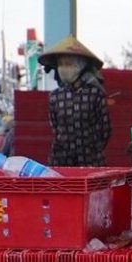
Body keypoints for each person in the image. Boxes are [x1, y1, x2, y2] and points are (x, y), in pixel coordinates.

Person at [38, 36, 110, 166]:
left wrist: (91, 148)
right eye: (61, 64)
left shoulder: (95, 95)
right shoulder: (55, 97)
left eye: (68, 64)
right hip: (61, 160)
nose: (63, 68)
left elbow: (105, 130)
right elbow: (55, 127)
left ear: (80, 66)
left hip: (91, 160)